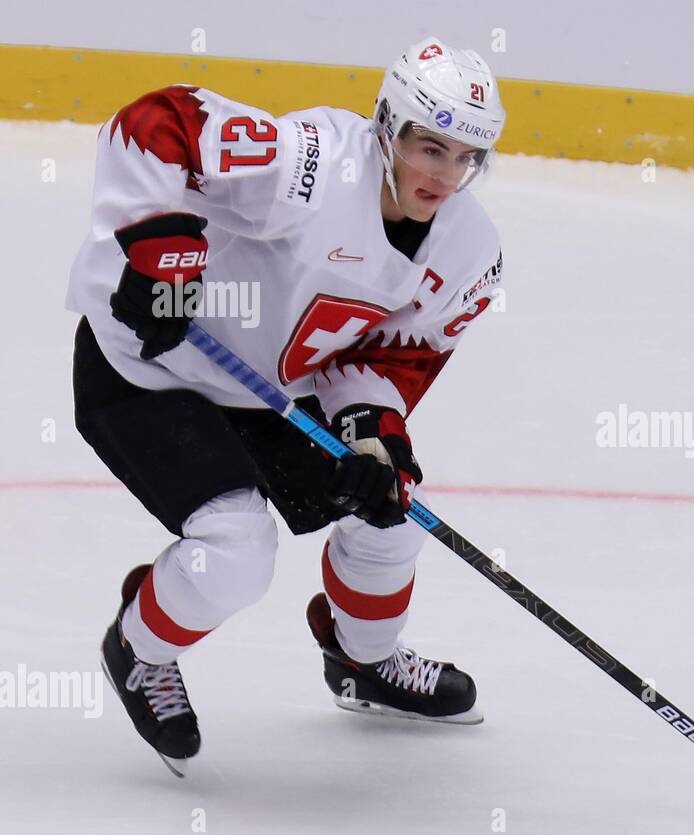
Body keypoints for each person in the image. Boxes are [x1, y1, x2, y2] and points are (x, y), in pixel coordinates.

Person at [67, 36, 505, 774]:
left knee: (394, 513)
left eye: (467, 157)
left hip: (267, 386)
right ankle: (140, 649)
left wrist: (370, 436)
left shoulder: (467, 251)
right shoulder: (309, 164)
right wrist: (155, 250)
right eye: (431, 147)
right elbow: (157, 120)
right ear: (387, 127)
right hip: (148, 363)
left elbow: (393, 357)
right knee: (237, 550)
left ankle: (362, 659)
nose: (447, 174)